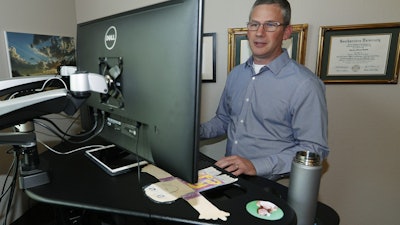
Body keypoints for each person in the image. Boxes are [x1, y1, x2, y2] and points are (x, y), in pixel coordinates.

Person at [200, 0, 329, 180]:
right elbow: (224, 120)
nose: (259, 33)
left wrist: (257, 166)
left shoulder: (305, 85)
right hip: (230, 178)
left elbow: (314, 150)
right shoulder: (236, 74)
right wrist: (193, 132)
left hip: (274, 184)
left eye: (270, 25)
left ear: (286, 32)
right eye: (254, 24)